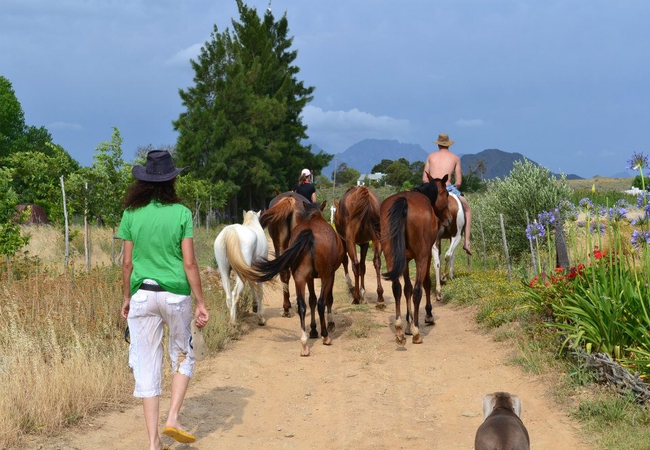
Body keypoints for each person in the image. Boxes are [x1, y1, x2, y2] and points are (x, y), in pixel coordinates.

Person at [118, 150, 210, 450]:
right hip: (174, 296)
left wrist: (127, 296)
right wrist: (200, 302)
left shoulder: (131, 214)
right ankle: (172, 418)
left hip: (142, 295)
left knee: (146, 365)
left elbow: (127, 263)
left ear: (143, 182)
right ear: (172, 181)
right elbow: (190, 263)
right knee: (182, 354)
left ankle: (153, 443)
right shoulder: (181, 213)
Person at [422, 133, 472, 255]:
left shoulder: (430, 156)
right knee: (467, 209)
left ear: (438, 144)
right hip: (448, 188)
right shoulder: (455, 158)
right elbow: (459, 182)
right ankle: (466, 242)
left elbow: (424, 179)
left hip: (432, 188)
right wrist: (453, 186)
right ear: (448, 145)